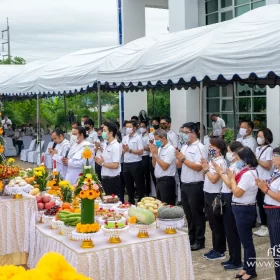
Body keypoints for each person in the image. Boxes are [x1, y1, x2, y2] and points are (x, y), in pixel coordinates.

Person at [227, 147, 259, 280]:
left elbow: (237, 192)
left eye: (238, 159)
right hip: (239, 207)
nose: (236, 161)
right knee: (244, 240)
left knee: (247, 242)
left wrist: (232, 179)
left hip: (244, 209)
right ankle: (246, 267)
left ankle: (251, 271)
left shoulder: (248, 174)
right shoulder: (245, 171)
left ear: (245, 159)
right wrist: (231, 178)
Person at [175, 122, 207, 251]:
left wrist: (183, 159)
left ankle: (200, 240)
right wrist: (178, 157)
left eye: (186, 132)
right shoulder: (184, 146)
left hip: (196, 184)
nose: (183, 135)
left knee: (197, 213)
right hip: (185, 184)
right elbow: (178, 165)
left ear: (194, 133)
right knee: (188, 214)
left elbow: (199, 167)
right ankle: (191, 237)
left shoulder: (200, 147)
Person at [213, 141, 243, 270]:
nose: (228, 153)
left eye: (230, 151)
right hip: (225, 195)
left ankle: (236, 261)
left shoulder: (238, 166)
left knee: (232, 230)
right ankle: (232, 257)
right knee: (228, 229)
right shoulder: (233, 164)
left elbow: (231, 185)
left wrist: (220, 172)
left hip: (231, 196)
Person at [201, 138, 227, 260]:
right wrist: (204, 166)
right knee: (211, 223)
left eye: (212, 147)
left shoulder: (221, 162)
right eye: (209, 146)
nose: (210, 148)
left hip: (215, 194)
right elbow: (205, 176)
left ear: (219, 149)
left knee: (217, 224)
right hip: (207, 192)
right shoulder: (212, 161)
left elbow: (214, 179)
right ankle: (215, 247)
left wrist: (206, 168)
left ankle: (220, 250)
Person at [256, 147, 280, 280]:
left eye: (276, 156)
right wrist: (264, 185)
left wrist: (265, 189)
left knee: (278, 247)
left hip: (277, 212)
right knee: (275, 248)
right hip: (270, 211)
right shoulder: (276, 172)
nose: (273, 158)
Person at [254, 128, 273, 237]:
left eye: (260, 136)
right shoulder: (258, 149)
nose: (258, 138)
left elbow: (268, 166)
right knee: (260, 203)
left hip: (265, 180)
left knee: (265, 203)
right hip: (258, 179)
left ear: (266, 137)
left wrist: (257, 160)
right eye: (258, 136)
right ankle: (262, 225)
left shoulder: (269, 150)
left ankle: (267, 225)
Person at [150, 129, 176, 205]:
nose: (156, 142)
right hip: (159, 180)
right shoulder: (160, 148)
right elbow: (154, 165)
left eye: (157, 139)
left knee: (167, 205)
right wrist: (153, 154)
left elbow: (165, 166)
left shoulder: (170, 149)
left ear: (163, 138)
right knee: (160, 205)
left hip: (167, 181)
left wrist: (155, 155)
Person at [94, 122, 121, 196]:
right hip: (105, 178)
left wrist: (102, 163)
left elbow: (115, 165)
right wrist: (101, 161)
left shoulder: (115, 146)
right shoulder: (106, 144)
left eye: (105, 131)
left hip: (113, 180)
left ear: (111, 133)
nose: (102, 133)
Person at [122, 120, 145, 204]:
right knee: (128, 184)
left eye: (129, 127)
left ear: (134, 128)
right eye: (126, 127)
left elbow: (141, 151)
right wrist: (124, 150)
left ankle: (141, 201)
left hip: (136, 163)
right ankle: (130, 201)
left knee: (139, 184)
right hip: (126, 163)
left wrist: (130, 150)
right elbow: (123, 150)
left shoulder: (138, 137)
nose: (127, 128)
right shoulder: (125, 137)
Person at [140, 121, 151, 196]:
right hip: (139, 157)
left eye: (143, 127)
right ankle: (141, 191)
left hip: (146, 157)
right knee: (140, 175)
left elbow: (148, 148)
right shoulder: (138, 136)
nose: (141, 128)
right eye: (140, 127)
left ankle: (147, 191)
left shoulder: (149, 136)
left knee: (146, 175)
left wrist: (141, 147)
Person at [149, 117, 160, 189]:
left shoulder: (161, 133)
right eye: (153, 123)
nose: (154, 125)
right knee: (153, 175)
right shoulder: (151, 134)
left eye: (155, 123)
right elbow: (149, 145)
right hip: (152, 156)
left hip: (159, 156)